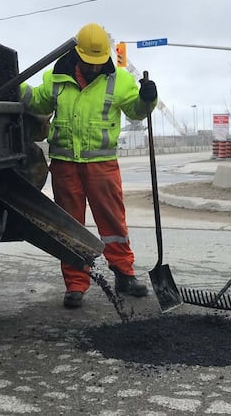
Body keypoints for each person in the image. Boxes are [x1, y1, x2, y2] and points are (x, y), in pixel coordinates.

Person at [20, 23, 158, 308]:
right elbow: (37, 103)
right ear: (77, 54)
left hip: (102, 164)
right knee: (70, 225)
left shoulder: (118, 79)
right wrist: (14, 83)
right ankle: (75, 284)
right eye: (89, 62)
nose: (96, 68)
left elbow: (136, 111)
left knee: (113, 223)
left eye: (99, 62)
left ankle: (124, 275)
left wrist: (148, 99)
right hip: (65, 164)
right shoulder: (56, 78)